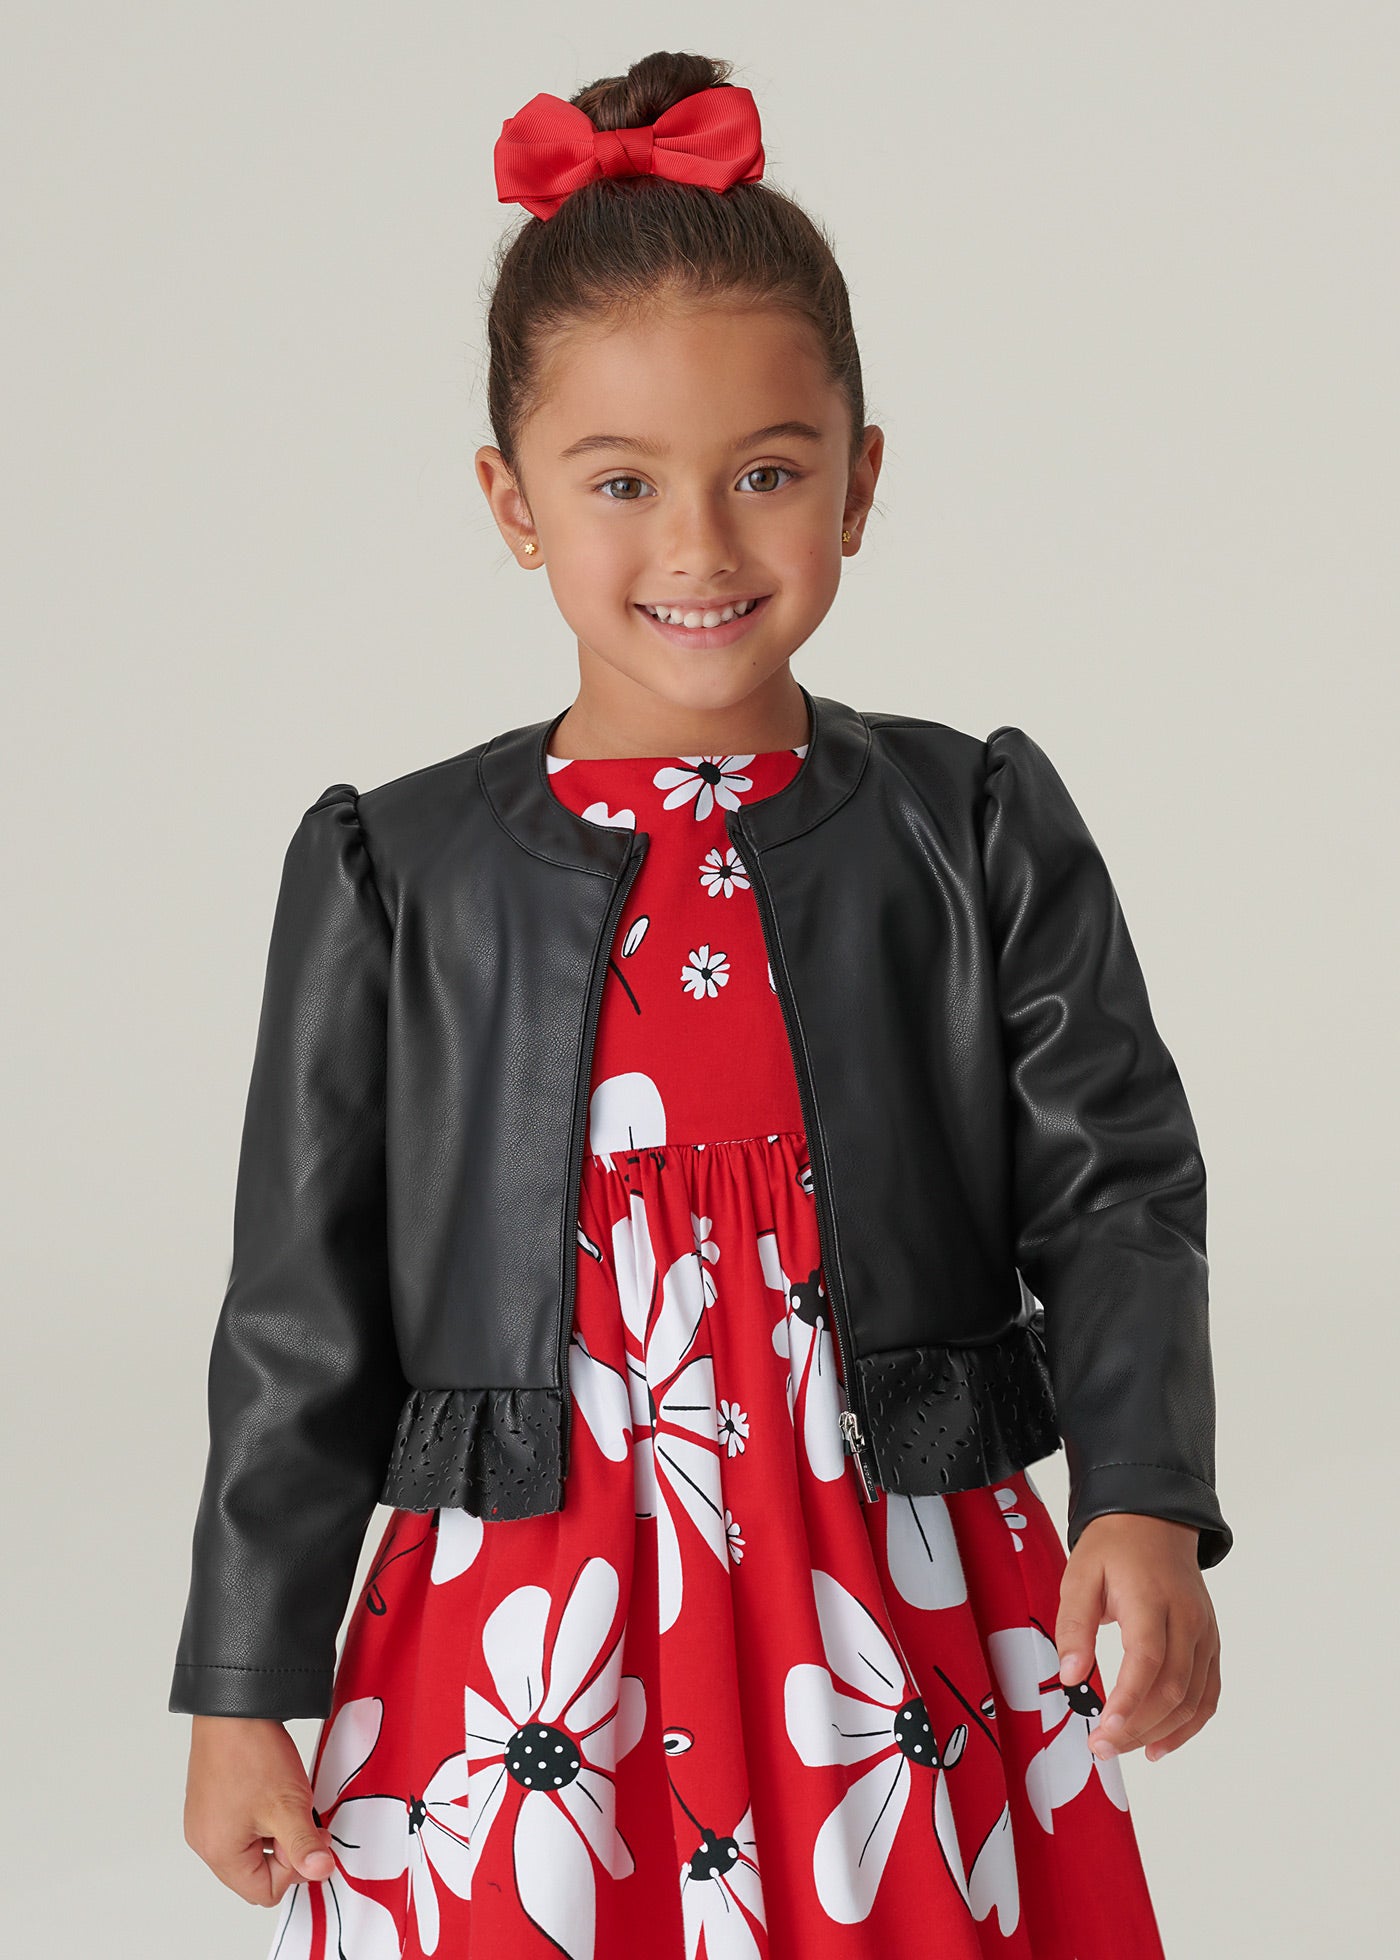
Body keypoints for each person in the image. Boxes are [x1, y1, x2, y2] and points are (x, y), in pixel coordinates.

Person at [172, 50, 1230, 1960]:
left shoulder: (969, 825)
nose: (699, 548)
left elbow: (1116, 1189)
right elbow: (297, 1313)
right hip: (532, 1599)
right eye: (622, 483)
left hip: (891, 1581)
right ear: (512, 503)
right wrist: (245, 1681)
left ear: (861, 480)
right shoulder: (396, 874)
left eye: (767, 474)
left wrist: (1143, 1497)